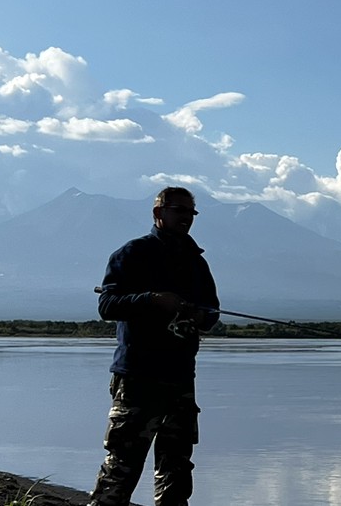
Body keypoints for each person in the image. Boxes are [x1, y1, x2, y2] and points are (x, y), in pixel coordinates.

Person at [89, 186, 219, 506]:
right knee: (123, 463)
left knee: (176, 466)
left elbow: (212, 314)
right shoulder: (132, 254)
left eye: (191, 213)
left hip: (180, 378)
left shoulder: (196, 262)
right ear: (158, 213)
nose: (186, 218)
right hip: (137, 375)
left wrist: (199, 314)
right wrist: (151, 300)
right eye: (179, 211)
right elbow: (107, 305)